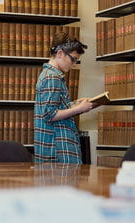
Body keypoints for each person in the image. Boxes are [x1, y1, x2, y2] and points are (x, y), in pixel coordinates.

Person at [34, 32, 94, 164]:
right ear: (60, 53)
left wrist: (75, 104)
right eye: (73, 59)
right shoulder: (52, 77)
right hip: (58, 149)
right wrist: (78, 109)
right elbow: (49, 114)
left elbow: (53, 107)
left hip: (55, 147)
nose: (74, 64)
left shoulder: (49, 74)